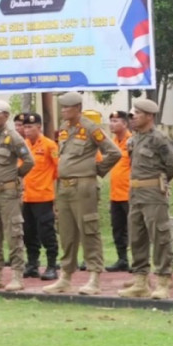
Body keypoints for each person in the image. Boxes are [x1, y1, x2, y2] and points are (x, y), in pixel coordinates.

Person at [43, 92, 121, 296]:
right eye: (61, 108)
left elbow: (114, 152)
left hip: (83, 187)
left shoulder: (91, 128)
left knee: (89, 230)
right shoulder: (64, 129)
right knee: (67, 233)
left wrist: (96, 170)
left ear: (77, 107)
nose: (63, 111)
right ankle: (65, 277)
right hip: (64, 187)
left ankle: (94, 276)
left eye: (66, 108)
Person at [116, 98, 173, 299]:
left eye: (138, 113)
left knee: (160, 237)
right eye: (133, 112)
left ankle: (163, 281)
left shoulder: (159, 139)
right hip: (135, 194)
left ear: (149, 116)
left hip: (153, 193)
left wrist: (158, 182)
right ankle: (140, 282)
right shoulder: (134, 139)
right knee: (137, 237)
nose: (133, 116)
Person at [0, 99, 35, 289]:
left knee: (13, 233)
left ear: (6, 116)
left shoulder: (14, 137)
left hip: (8, 193)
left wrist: (16, 176)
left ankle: (17, 276)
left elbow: (28, 161)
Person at [21, 112, 60, 281]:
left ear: (39, 127)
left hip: (43, 197)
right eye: (25, 126)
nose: (27, 130)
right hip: (26, 197)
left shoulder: (49, 145)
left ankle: (51, 265)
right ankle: (32, 264)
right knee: (28, 232)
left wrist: (47, 184)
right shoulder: (23, 145)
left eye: (30, 126)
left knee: (46, 232)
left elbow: (59, 169)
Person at [104, 110, 132, 272]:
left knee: (134, 230)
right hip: (115, 194)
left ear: (125, 124)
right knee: (118, 228)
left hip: (129, 193)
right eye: (111, 121)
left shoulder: (132, 142)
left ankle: (138, 261)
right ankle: (122, 259)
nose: (112, 124)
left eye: (116, 121)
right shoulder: (112, 142)